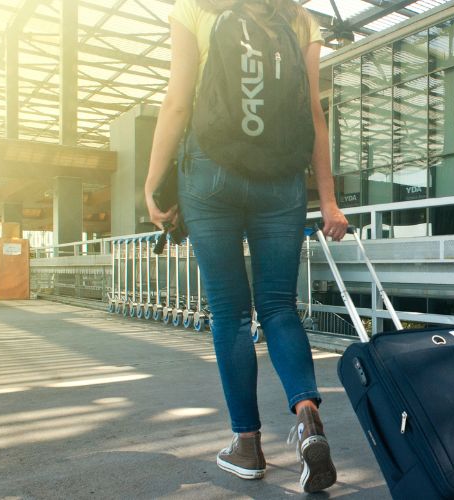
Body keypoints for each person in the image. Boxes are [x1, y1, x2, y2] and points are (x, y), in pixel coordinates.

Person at [143, 0, 348, 493]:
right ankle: (308, 419)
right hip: (280, 182)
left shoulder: (196, 8)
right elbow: (314, 115)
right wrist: (328, 201)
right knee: (279, 306)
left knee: (230, 314)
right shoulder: (300, 19)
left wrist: (152, 182)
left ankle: (247, 444)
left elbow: (178, 100)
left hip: (210, 175)